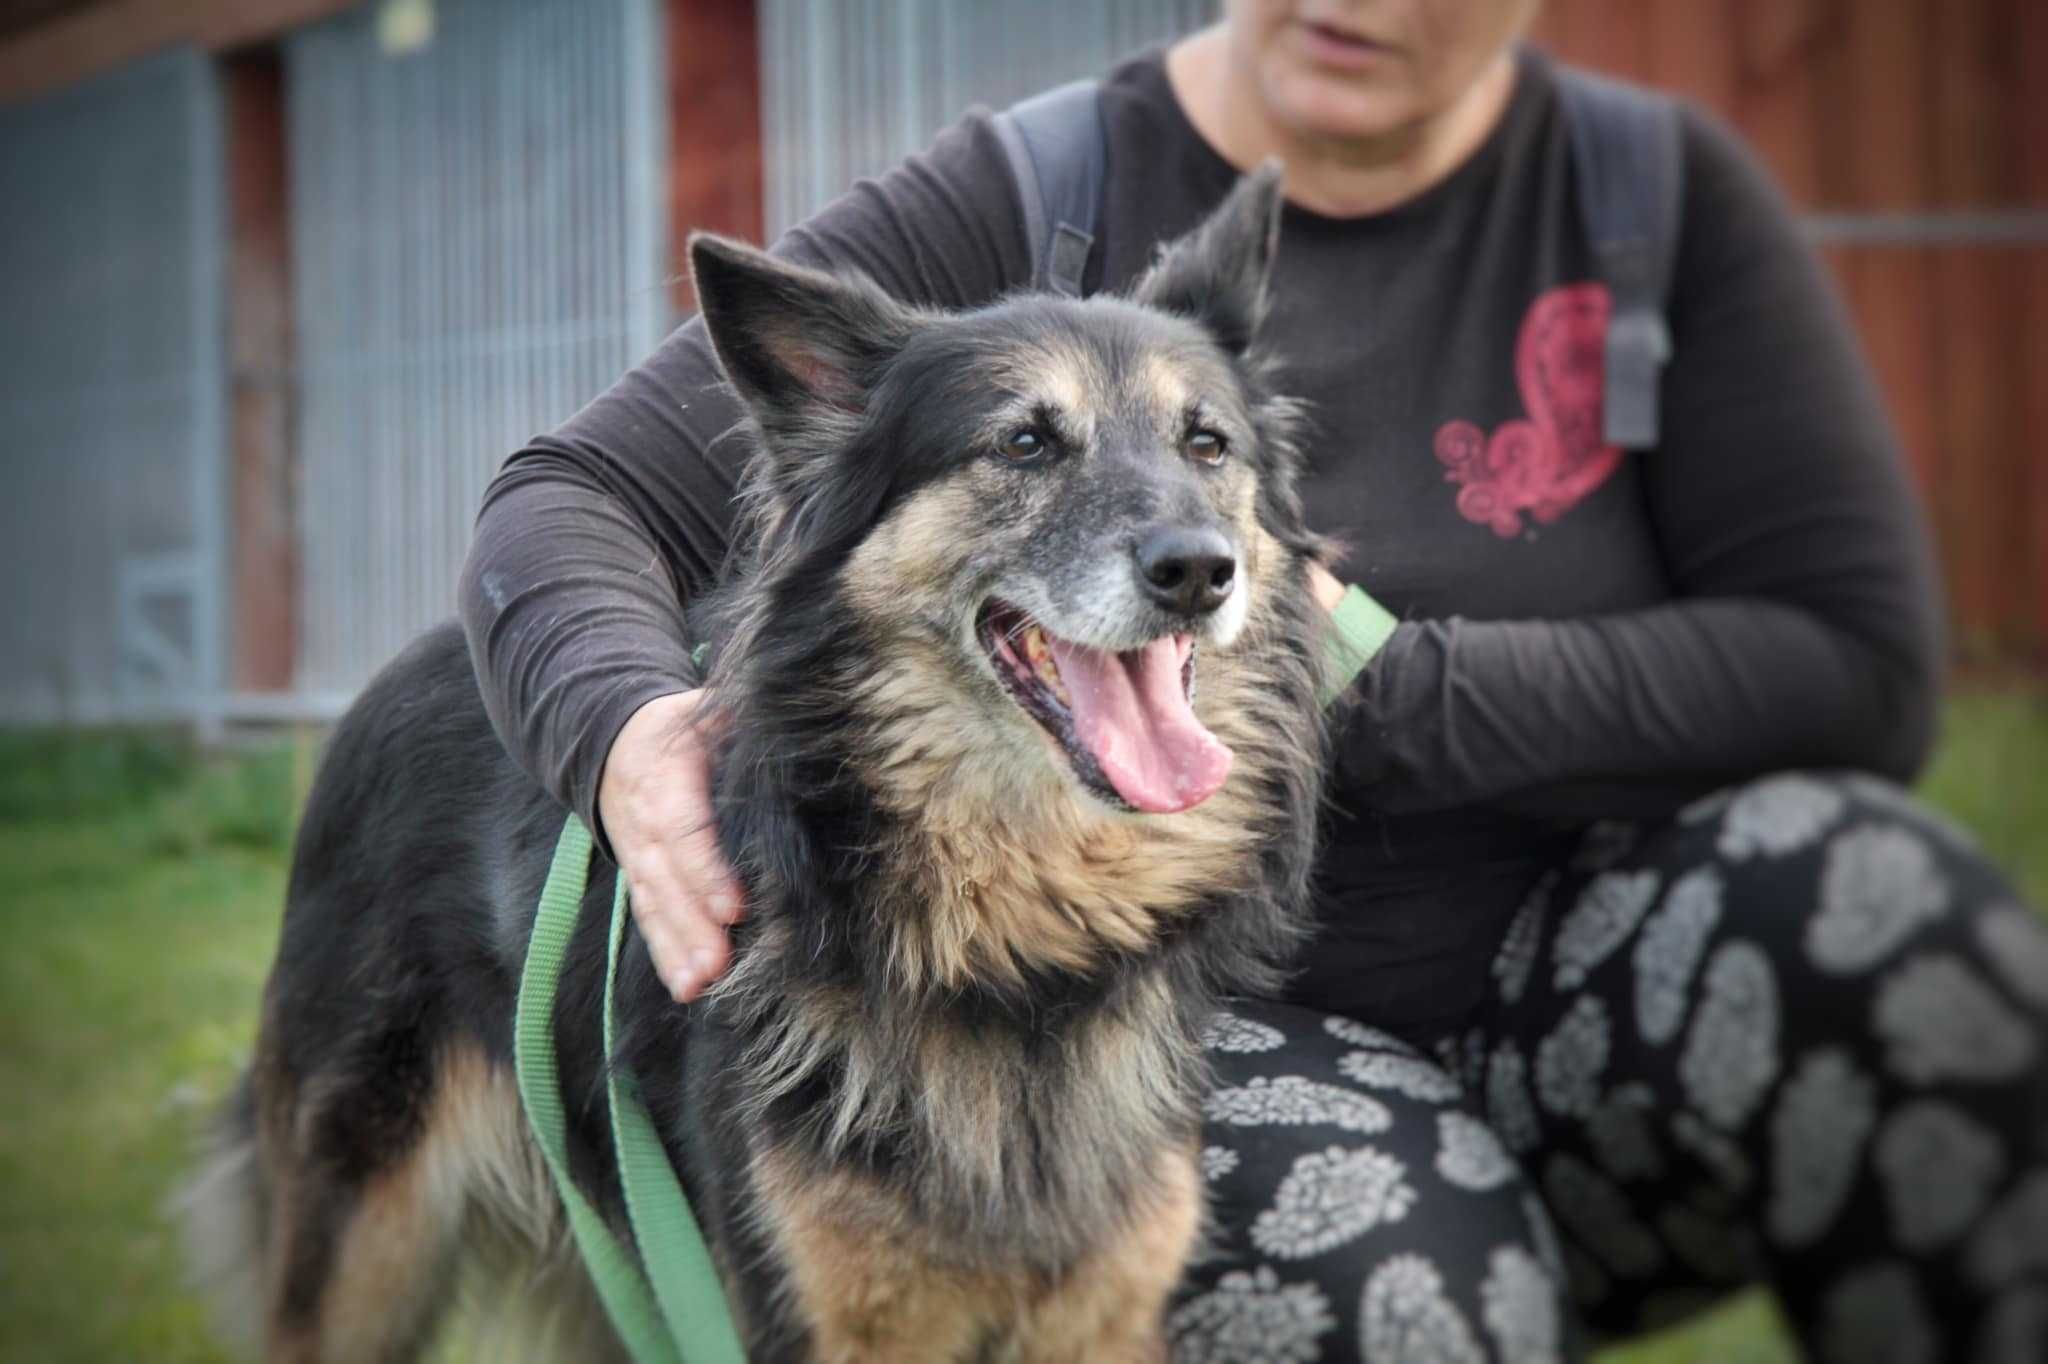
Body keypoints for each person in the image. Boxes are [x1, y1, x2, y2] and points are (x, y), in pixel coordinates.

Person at [459, 2, 2048, 1359]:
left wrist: (1375, 684)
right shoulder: (1036, 184)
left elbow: (1854, 666)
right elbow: (568, 499)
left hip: (1597, 989)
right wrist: (623, 731)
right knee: (1405, 1284)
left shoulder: (1653, 198)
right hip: (1196, 1029)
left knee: (1888, 923)